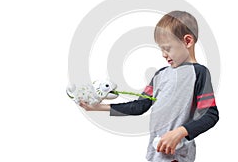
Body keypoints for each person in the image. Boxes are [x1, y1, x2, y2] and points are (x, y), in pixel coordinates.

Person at [80, 11, 219, 162]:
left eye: (167, 48)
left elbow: (210, 115)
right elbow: (140, 106)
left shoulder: (199, 73)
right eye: (161, 49)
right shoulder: (160, 75)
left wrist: (180, 132)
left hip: (178, 156)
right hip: (155, 155)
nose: (163, 54)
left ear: (187, 41)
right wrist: (97, 107)